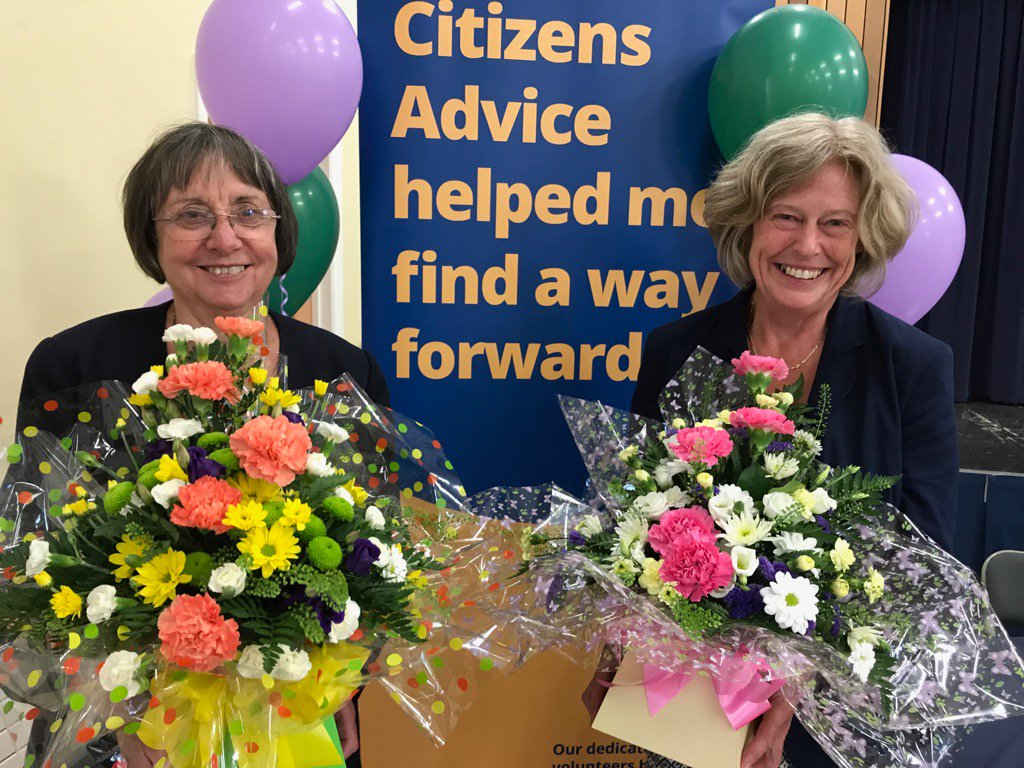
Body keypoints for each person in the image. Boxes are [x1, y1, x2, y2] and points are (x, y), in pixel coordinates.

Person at [587, 112, 959, 768]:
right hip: (690, 709)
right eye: (786, 216)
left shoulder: (912, 368)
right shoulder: (676, 351)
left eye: (835, 223)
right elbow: (633, 523)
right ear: (748, 224)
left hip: (838, 724)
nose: (808, 245)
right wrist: (619, 638)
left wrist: (796, 678)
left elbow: (921, 569)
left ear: (862, 237)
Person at [15, 122, 383, 768]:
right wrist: (115, 705)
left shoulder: (346, 372)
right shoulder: (74, 366)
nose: (225, 237)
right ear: (151, 238)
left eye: (248, 212)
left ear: (278, 233)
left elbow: (380, 556)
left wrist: (345, 677)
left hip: (298, 721)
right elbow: (27, 560)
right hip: (124, 733)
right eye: (192, 215)